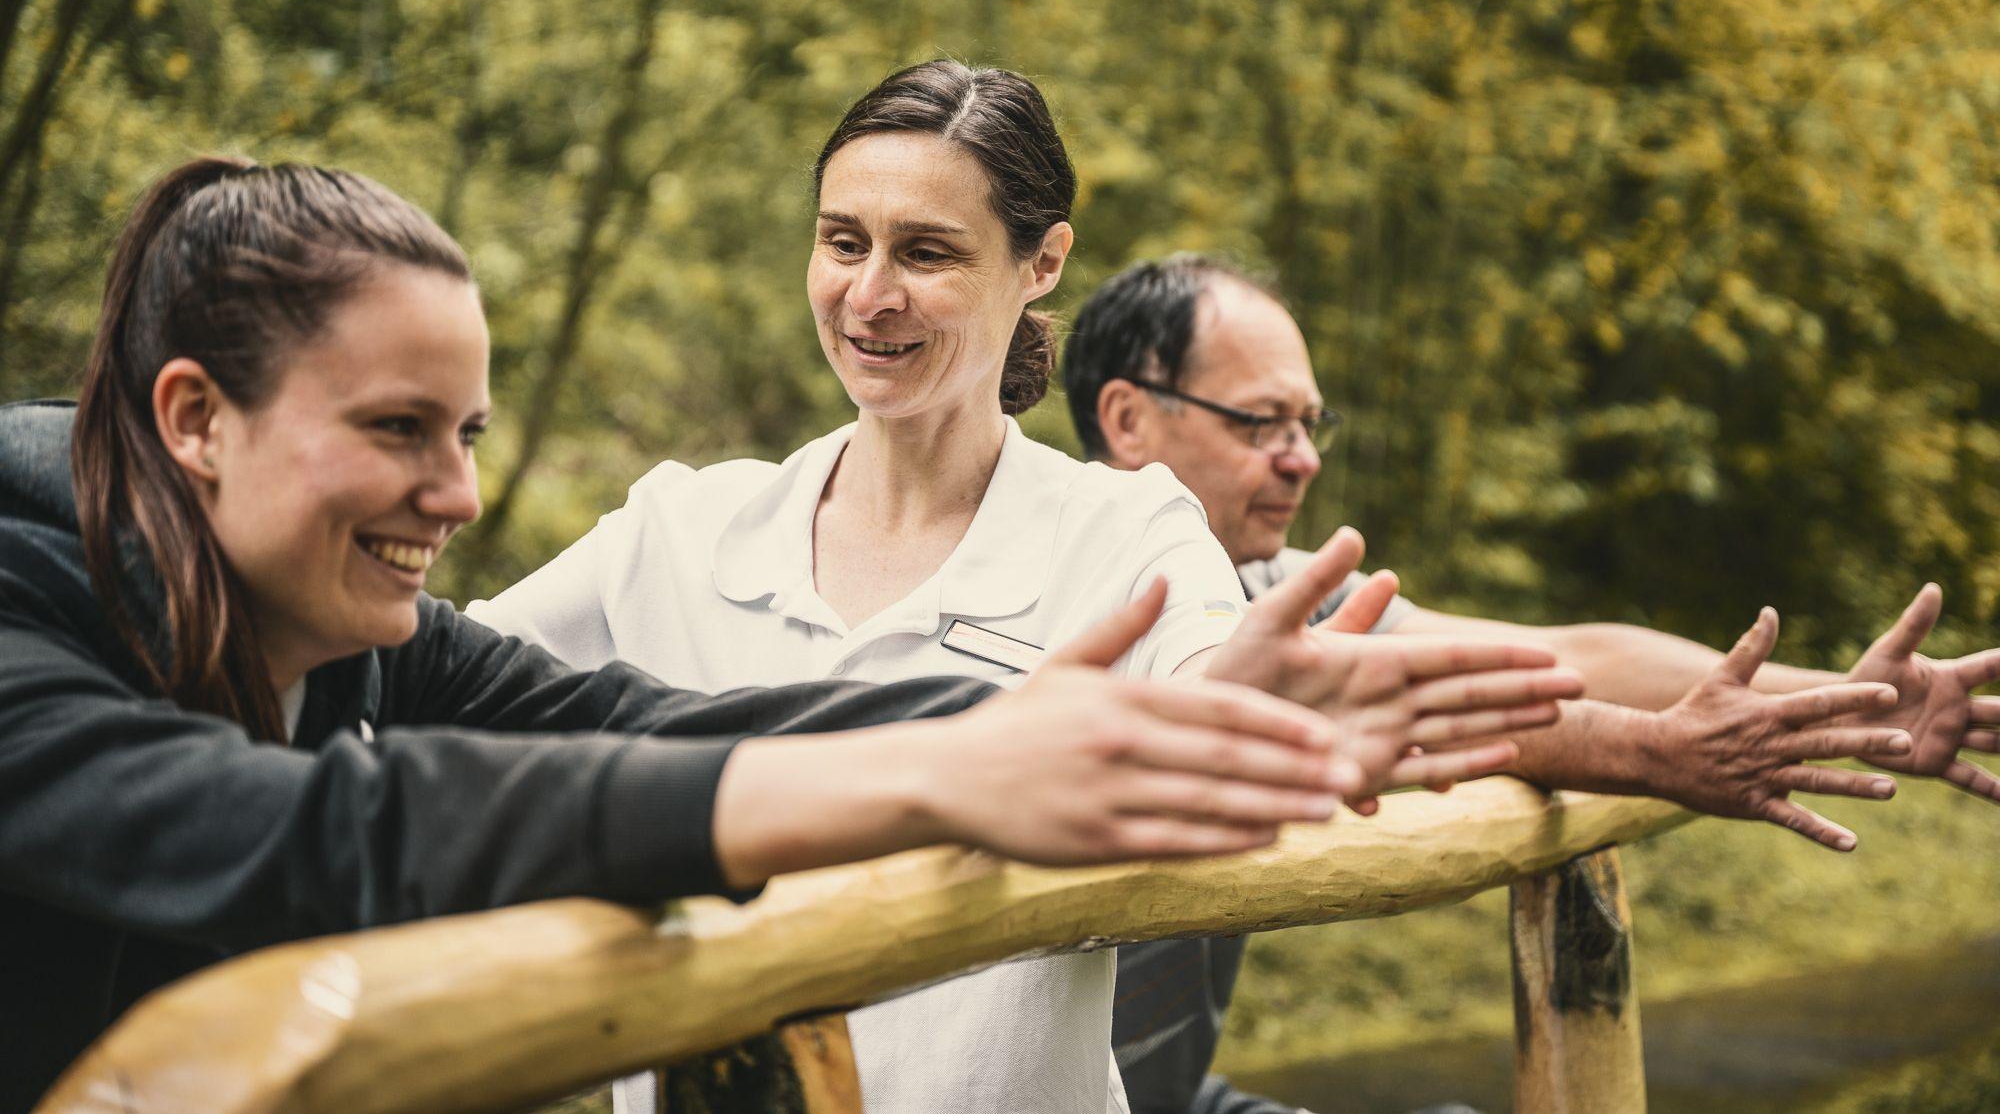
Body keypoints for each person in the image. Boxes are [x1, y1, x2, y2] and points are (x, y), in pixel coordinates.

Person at [0, 159, 1377, 1110]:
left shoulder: (340, 627)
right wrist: (945, 775)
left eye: (466, 434)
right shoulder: (21, 618)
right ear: (195, 420)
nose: (460, 495)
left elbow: (649, 723)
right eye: (397, 430)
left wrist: (1072, 725)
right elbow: (333, 830)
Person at [469, 62, 1586, 1114]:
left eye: (927, 253)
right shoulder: (677, 529)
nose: (870, 294)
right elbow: (419, 692)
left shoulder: (1124, 530)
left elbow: (1208, 676)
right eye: (842, 241)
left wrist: (1249, 707)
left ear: (1042, 262)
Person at [1064, 253, 1999, 1114]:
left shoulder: (1266, 583)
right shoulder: (1059, 595)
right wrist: (1657, 750)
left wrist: (1849, 700)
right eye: (1261, 421)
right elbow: (1437, 703)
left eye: (1311, 424)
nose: (1302, 456)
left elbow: (1550, 656)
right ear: (1129, 418)